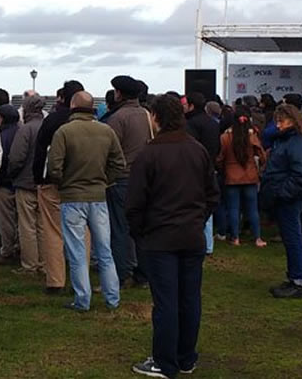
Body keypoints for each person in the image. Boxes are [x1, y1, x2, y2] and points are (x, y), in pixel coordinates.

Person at [126, 95, 219, 379]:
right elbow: (212, 195)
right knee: (189, 298)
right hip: (189, 235)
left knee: (167, 302)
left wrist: (141, 232)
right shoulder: (197, 150)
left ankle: (166, 362)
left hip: (161, 238)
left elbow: (134, 203)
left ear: (155, 117)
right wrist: (196, 220)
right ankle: (185, 357)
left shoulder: (149, 154)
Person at [47, 91, 126, 312]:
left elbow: (54, 166)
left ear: (72, 106)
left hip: (72, 198)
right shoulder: (106, 131)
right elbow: (119, 164)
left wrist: (64, 182)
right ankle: (113, 298)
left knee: (77, 251)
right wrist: (104, 180)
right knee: (104, 250)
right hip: (99, 197)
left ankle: (83, 299)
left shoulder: (64, 132)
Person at [261, 104, 302, 299]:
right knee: (291, 238)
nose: (278, 125)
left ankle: (298, 281)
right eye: (276, 121)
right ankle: (294, 278)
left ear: (292, 120)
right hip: (286, 195)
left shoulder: (297, 142)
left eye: (281, 121)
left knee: (293, 237)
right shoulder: (290, 140)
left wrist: (282, 193)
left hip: (289, 198)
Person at [32, 80, 86, 294]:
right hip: (82, 183)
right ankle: (80, 279)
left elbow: (41, 150)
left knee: (53, 232)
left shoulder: (53, 120)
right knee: (82, 232)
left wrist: (38, 178)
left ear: (64, 98)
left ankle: (55, 280)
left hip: (53, 183)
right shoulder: (96, 124)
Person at [106, 75, 154, 287]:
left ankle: (122, 273)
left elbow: (109, 150)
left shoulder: (118, 118)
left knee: (120, 229)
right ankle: (143, 273)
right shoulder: (145, 114)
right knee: (140, 227)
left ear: (119, 93)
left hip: (122, 178)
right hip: (143, 178)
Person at [7, 94, 46, 274]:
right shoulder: (48, 126)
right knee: (43, 225)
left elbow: (16, 158)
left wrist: (12, 175)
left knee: (27, 226)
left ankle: (30, 265)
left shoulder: (25, 129)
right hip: (45, 184)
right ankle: (45, 263)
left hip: (25, 182)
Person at [217, 106, 267, 247]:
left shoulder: (225, 137)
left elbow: (220, 158)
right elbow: (262, 155)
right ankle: (257, 238)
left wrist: (222, 169)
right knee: (252, 209)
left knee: (233, 208)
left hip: (231, 176)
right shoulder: (252, 136)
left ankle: (235, 237)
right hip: (250, 175)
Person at [184, 92, 220, 252]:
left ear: (191, 105)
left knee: (193, 206)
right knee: (208, 206)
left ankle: (197, 241)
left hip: (194, 169)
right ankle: (208, 244)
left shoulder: (191, 124)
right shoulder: (212, 123)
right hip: (210, 166)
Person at [0, 104, 21, 263]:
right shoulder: (21, 132)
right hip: (20, 183)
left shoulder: (2, 136)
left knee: (5, 221)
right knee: (20, 220)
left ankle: (7, 250)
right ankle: (18, 248)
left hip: (4, 184)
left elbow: (0, 162)